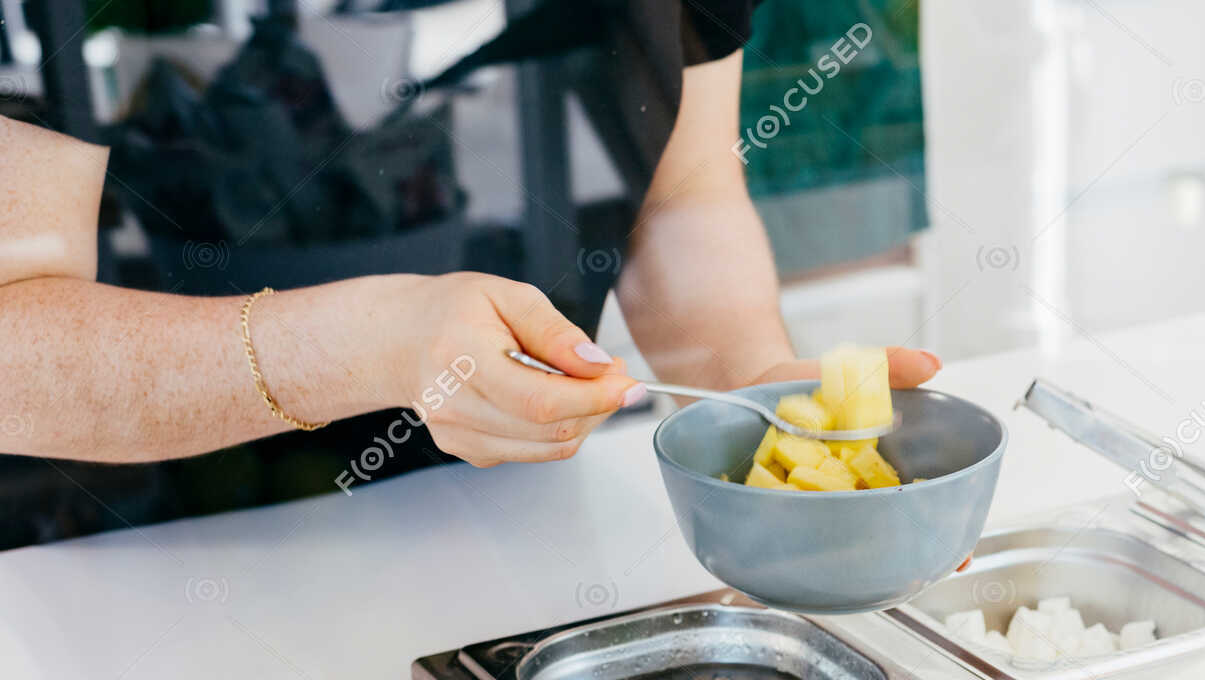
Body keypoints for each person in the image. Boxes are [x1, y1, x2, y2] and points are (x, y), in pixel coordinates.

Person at [0, 1, 938, 542]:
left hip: (513, 546)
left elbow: (682, 193)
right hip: (124, 578)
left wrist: (748, 397)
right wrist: (371, 346)